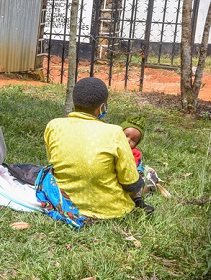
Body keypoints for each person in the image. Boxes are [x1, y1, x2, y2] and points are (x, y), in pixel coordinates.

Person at [43, 77, 148, 219]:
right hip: (110, 209)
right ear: (102, 107)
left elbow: (53, 164)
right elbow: (130, 184)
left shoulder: (53, 126)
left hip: (62, 203)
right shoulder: (115, 133)